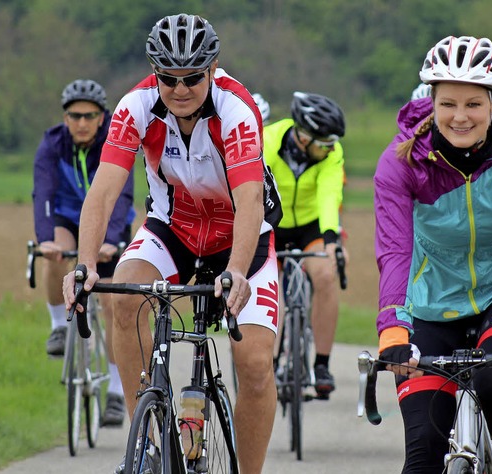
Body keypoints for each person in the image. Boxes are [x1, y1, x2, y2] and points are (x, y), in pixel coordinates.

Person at [62, 14, 282, 474]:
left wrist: (236, 272)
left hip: (240, 237)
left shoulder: (236, 111)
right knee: (123, 297)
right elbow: (102, 192)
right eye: (168, 78)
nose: (180, 89)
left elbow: (249, 203)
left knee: (256, 363)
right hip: (173, 229)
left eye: (192, 78)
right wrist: (83, 266)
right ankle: (145, 439)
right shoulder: (135, 107)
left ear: (212, 69)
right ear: (154, 72)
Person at [373, 35, 492, 473]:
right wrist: (392, 326)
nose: (459, 116)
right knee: (423, 453)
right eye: (448, 103)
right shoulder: (402, 163)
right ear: (432, 102)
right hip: (430, 305)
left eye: (473, 104)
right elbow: (395, 250)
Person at [33, 79, 135, 426]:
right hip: (65, 216)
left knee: (110, 305)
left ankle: (118, 393)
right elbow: (43, 193)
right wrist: (45, 238)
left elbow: (120, 196)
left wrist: (114, 238)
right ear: (65, 118)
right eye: (74, 115)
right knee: (55, 254)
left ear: (101, 117)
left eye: (89, 115)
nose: (81, 122)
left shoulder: (114, 142)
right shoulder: (52, 145)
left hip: (107, 222)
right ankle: (58, 327)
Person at [263, 91, 346, 399]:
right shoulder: (268, 141)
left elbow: (329, 194)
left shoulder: (331, 153)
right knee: (271, 288)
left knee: (325, 275)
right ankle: (268, 364)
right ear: (302, 137)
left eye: (332, 144)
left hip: (310, 224)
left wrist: (331, 240)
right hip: (271, 221)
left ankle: (321, 364)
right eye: (324, 144)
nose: (330, 149)